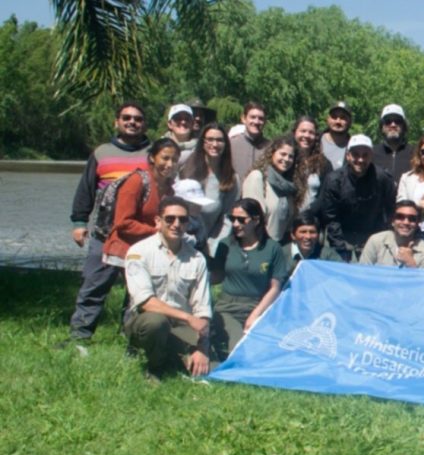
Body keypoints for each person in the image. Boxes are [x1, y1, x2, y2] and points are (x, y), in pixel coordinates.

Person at [64, 101, 151, 346]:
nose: (132, 122)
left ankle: (131, 337)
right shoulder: (101, 152)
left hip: (140, 236)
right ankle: (80, 336)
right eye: (126, 118)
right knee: (93, 285)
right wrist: (79, 222)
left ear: (145, 124)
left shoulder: (154, 154)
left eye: (137, 118)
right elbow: (86, 189)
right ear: (117, 122)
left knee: (137, 291)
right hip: (105, 233)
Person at [122, 197, 212, 378]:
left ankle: (173, 355)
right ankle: (154, 369)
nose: (176, 224)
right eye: (170, 219)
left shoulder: (197, 258)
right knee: (156, 323)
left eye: (183, 219)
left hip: (182, 327)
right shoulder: (138, 252)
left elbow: (202, 308)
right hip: (147, 322)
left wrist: (202, 348)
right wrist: (188, 317)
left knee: (208, 370)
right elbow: (146, 302)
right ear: (158, 221)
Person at [209, 198, 289, 360]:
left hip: (259, 307)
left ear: (256, 220)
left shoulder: (272, 248)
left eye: (241, 220)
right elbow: (215, 277)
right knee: (239, 349)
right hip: (227, 307)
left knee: (269, 353)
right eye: (232, 219)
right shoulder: (225, 245)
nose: (235, 224)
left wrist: (255, 315)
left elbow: (275, 287)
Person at [103, 139, 181, 268]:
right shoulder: (136, 182)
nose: (170, 164)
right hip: (121, 251)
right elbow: (123, 223)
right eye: (165, 158)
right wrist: (157, 231)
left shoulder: (170, 189)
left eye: (174, 160)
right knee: (96, 287)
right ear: (152, 158)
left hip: (147, 251)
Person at [319, 134, 397, 262]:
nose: (360, 159)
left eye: (365, 155)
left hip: (372, 235)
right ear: (348, 156)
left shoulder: (383, 178)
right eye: (355, 154)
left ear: (371, 156)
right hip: (341, 236)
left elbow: (390, 209)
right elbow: (330, 217)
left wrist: (380, 237)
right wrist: (340, 247)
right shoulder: (334, 179)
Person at [180, 122, 240, 255]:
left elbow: (227, 218)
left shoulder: (230, 178)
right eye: (210, 139)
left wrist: (213, 245)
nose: (215, 144)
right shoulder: (185, 163)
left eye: (219, 140)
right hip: (177, 240)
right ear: (202, 142)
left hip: (206, 247)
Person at [242, 136, 297, 242]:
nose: (286, 159)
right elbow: (252, 218)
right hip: (260, 244)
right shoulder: (257, 177)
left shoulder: (289, 186)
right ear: (272, 153)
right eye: (283, 154)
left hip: (281, 246)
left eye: (291, 156)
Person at [359, 200, 424, 268]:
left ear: (418, 223)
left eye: (412, 219)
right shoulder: (376, 241)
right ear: (392, 221)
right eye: (400, 217)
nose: (406, 222)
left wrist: (411, 264)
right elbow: (362, 274)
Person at [292, 116, 332, 215]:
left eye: (311, 132)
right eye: (303, 131)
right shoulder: (286, 159)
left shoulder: (323, 163)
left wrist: (311, 212)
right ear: (294, 133)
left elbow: (325, 195)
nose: (306, 135)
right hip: (285, 221)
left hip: (310, 221)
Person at [230, 102, 269, 182]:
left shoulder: (270, 147)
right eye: (252, 117)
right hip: (235, 193)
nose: (256, 122)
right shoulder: (231, 144)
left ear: (265, 122)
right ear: (244, 119)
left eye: (260, 118)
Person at [375, 103, 413, 180]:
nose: (393, 125)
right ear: (382, 127)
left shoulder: (415, 153)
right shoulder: (371, 154)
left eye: (397, 121)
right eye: (388, 121)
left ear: (404, 126)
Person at [321, 101, 352, 170]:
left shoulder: (353, 147)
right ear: (328, 119)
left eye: (343, 118)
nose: (338, 121)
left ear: (350, 121)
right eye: (334, 117)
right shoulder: (315, 140)